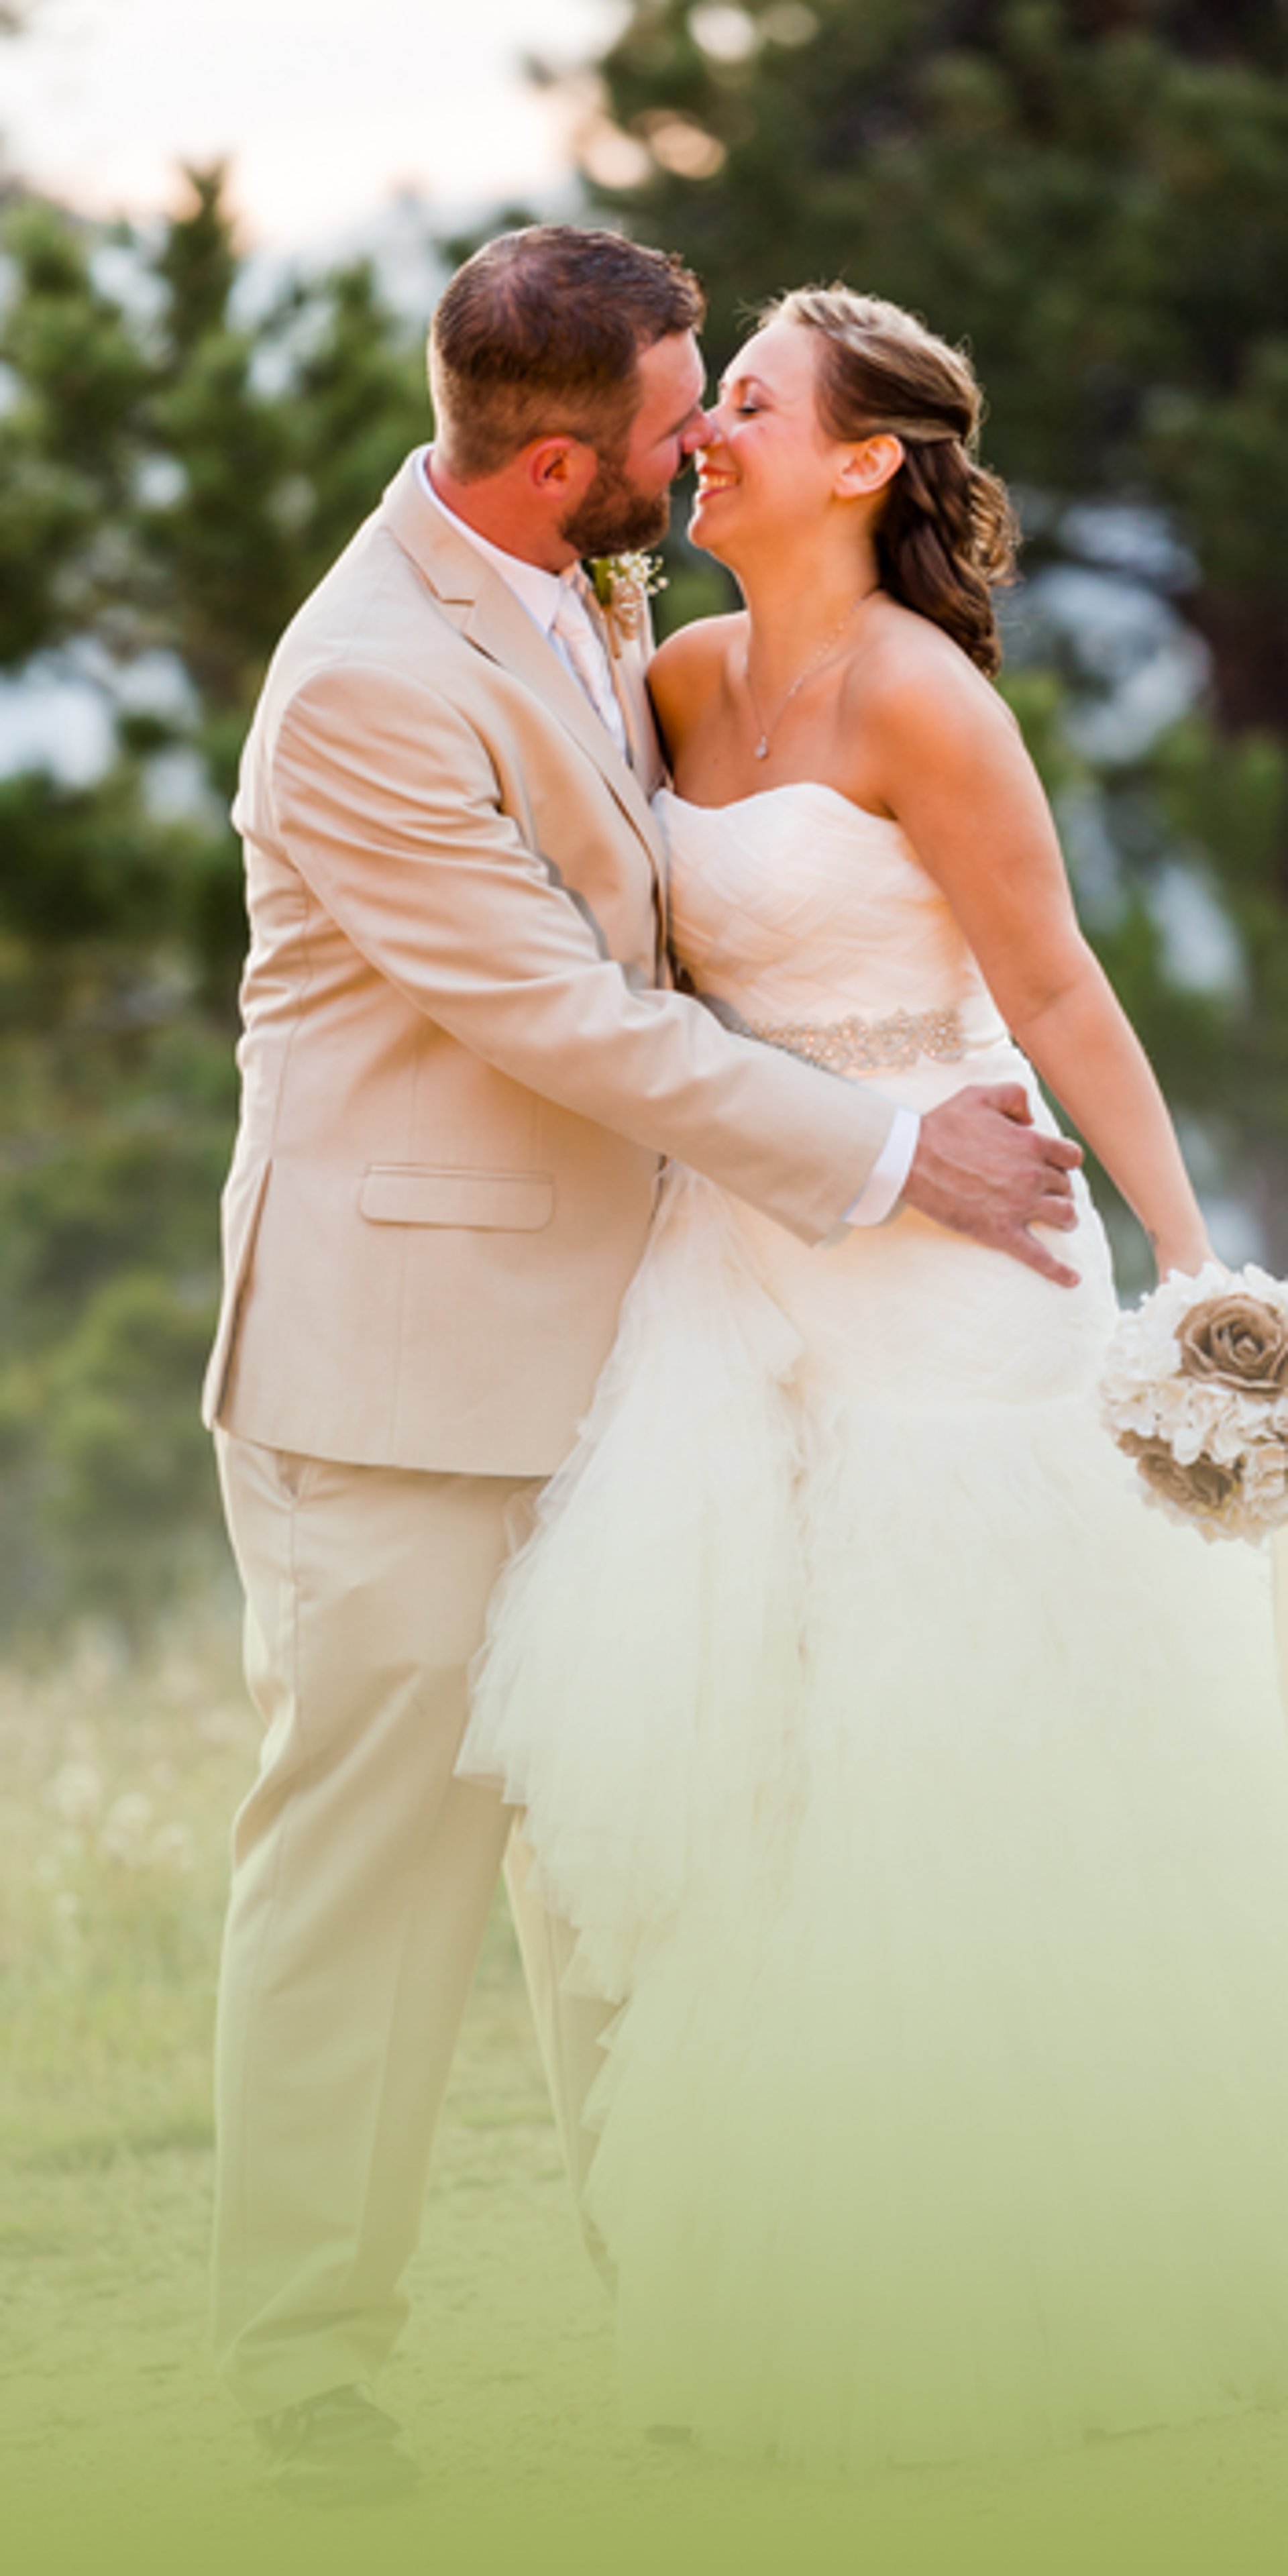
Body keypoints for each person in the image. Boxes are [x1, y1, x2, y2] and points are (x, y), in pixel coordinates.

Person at [201, 231, 1077, 2502]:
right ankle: (309, 2365)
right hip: (388, 1375)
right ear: (567, 454)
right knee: (374, 1878)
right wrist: (893, 1152)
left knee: (630, 1859)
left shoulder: (588, 589)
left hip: (620, 1350)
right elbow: (573, 1022)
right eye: (679, 415)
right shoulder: (368, 681)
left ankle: (677, 2327)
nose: (706, 443)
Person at [460, 286, 1288, 2470]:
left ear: (863, 464)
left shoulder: (927, 703)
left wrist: (1199, 1278)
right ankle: (801, 2287)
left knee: (955, 1764)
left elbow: (1062, 988)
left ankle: (1041, 2263)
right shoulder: (680, 677)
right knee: (781, 1775)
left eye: (747, 401)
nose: (705, 427)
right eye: (707, 398)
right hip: (755, 1277)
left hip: (969, 1273)